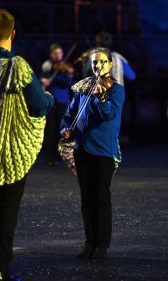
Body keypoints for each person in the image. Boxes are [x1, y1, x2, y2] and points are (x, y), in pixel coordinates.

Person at [0, 9, 54, 281]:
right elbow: (38, 104)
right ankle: (1, 270)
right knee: (7, 211)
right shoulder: (18, 65)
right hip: (11, 150)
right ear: (14, 33)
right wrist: (49, 98)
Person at [60, 47, 125, 260]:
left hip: (103, 150)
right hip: (82, 149)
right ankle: (89, 242)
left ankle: (102, 244)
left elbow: (110, 115)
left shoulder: (115, 89)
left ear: (110, 64)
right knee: (86, 200)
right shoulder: (83, 87)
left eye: (102, 62)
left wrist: (101, 99)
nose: (98, 66)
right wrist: (65, 128)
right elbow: (69, 114)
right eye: (95, 62)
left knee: (101, 198)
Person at [40, 43, 74, 165]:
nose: (59, 56)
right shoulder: (47, 66)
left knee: (60, 130)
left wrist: (68, 74)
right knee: (50, 129)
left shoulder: (66, 67)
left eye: (60, 53)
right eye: (56, 53)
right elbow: (42, 79)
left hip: (63, 101)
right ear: (52, 54)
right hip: (51, 100)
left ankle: (59, 156)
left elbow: (68, 83)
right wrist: (44, 80)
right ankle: (49, 157)